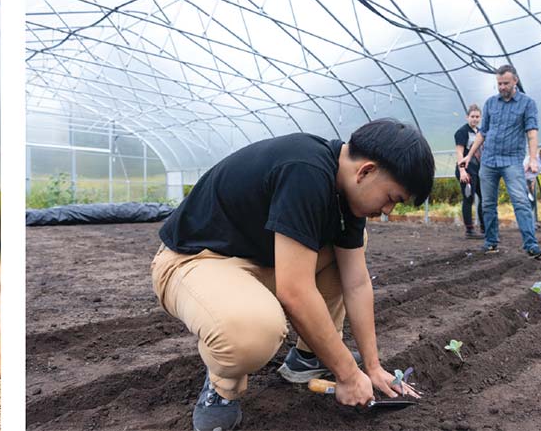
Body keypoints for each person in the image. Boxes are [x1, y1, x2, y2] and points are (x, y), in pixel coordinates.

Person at [152, 119, 429, 429]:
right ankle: (221, 387)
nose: (388, 210)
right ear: (365, 171)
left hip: (259, 261)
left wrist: (373, 368)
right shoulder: (306, 170)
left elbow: (357, 282)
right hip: (195, 261)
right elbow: (294, 292)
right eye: (391, 198)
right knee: (252, 332)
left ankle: (307, 358)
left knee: (351, 249)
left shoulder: (346, 194)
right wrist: (349, 375)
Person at [459, 64, 541, 258]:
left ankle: (531, 245)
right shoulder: (490, 103)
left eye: (506, 83)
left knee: (521, 202)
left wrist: (532, 159)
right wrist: (469, 155)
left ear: (515, 81)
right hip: (488, 161)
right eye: (499, 83)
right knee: (488, 204)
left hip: (512, 162)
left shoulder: (527, 103)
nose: (502, 87)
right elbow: (483, 133)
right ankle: (491, 242)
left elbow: (531, 132)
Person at [453, 104, 483, 238]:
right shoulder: (462, 132)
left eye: (477, 117)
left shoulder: (480, 132)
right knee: (468, 198)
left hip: (478, 169)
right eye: (472, 116)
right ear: (467, 117)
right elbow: (459, 153)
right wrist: (462, 171)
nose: (475, 119)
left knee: (484, 197)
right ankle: (469, 230)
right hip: (466, 169)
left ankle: (484, 227)